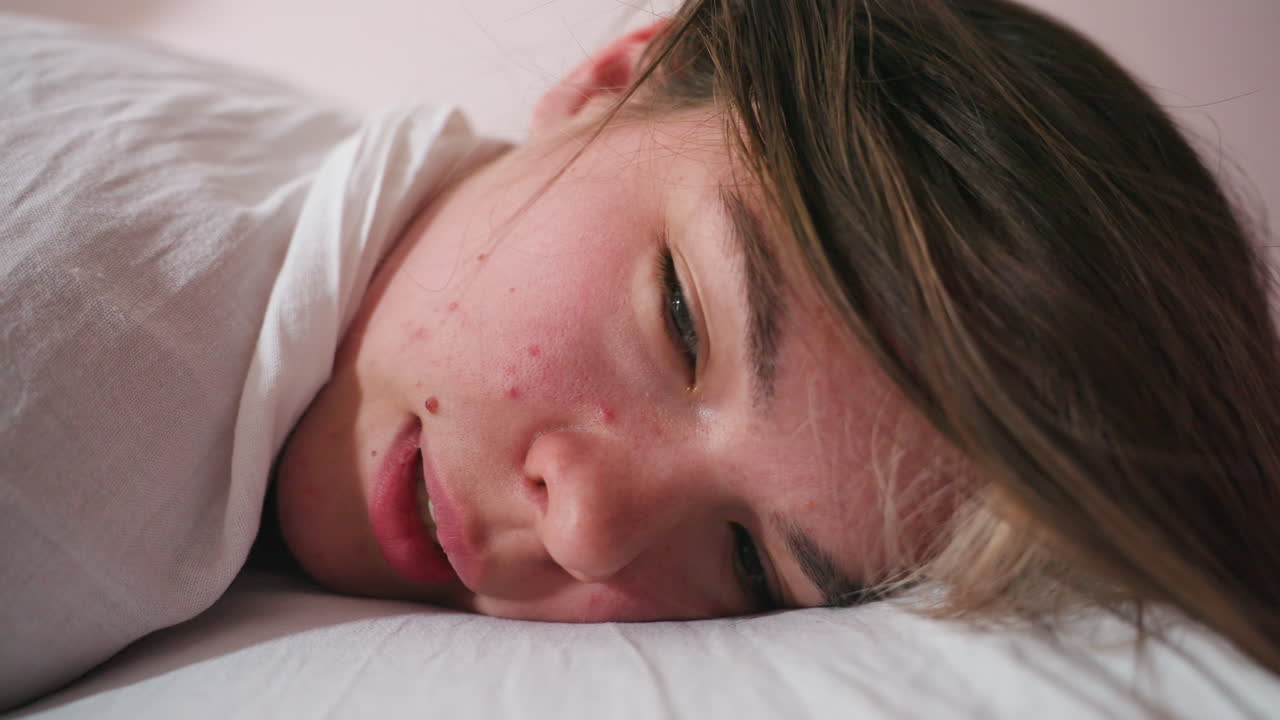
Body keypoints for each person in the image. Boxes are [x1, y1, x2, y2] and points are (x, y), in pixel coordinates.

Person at [1, 0, 1277, 709]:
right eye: (682, 318)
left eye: (750, 564)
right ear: (617, 73)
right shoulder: (83, 295)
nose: (589, 532)